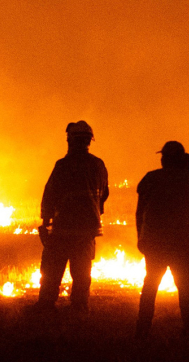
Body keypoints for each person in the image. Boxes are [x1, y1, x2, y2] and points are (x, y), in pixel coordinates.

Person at [29, 120, 110, 314]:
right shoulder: (98, 165)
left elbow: (50, 193)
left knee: (52, 268)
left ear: (70, 140)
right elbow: (104, 193)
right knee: (82, 272)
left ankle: (47, 304)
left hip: (63, 228)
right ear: (89, 141)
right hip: (88, 228)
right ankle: (79, 306)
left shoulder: (63, 165)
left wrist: (46, 219)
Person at [135, 141, 189, 338]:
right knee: (185, 285)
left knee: (151, 284)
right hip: (181, 242)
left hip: (155, 241)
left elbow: (140, 212)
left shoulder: (150, 179)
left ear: (165, 159)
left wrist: (141, 237)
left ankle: (142, 327)